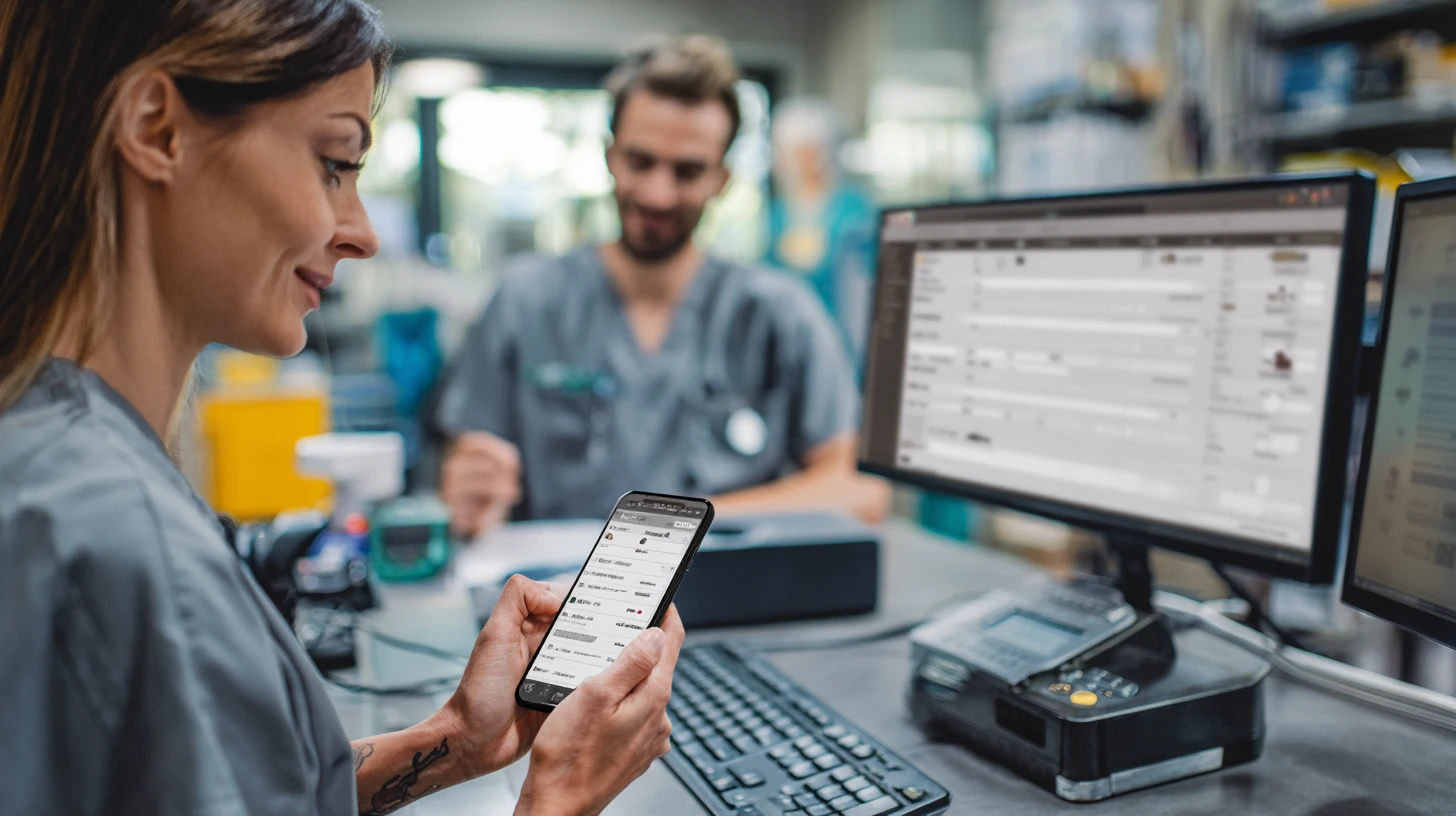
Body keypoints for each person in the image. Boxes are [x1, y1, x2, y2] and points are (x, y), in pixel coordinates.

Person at [0, 2, 680, 814]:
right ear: (157, 130)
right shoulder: (118, 536)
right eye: (333, 162)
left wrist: (457, 739)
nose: (360, 233)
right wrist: (559, 798)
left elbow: (249, 787)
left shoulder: (70, 453)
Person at [437, 37, 890, 539]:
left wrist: (668, 531)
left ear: (722, 178)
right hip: (558, 599)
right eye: (641, 162)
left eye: (688, 170)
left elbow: (859, 489)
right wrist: (468, 496)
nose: (658, 193)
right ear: (611, 157)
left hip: (728, 596)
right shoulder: (526, 302)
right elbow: (469, 471)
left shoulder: (777, 313)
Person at [764, 98, 878, 366]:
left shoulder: (854, 212)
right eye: (784, 151)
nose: (788, 161)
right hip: (790, 348)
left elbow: (863, 292)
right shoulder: (780, 213)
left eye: (798, 151)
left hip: (844, 349)